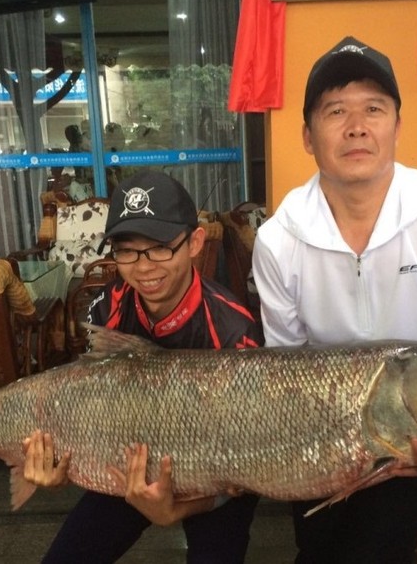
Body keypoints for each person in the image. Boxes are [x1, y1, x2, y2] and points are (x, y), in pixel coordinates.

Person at [251, 36, 417, 563]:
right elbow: (285, 373)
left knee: (367, 541)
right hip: (321, 436)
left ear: (396, 124)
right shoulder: (277, 240)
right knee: (323, 542)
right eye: (335, 111)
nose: (356, 126)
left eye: (374, 108)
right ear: (308, 135)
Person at [23, 169, 262, 563]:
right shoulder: (107, 307)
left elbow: (248, 465)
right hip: (129, 464)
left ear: (194, 243)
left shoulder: (235, 332)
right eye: (127, 250)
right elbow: (85, 401)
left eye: (160, 247)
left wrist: (177, 509)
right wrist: (60, 463)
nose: (144, 266)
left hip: (216, 483)